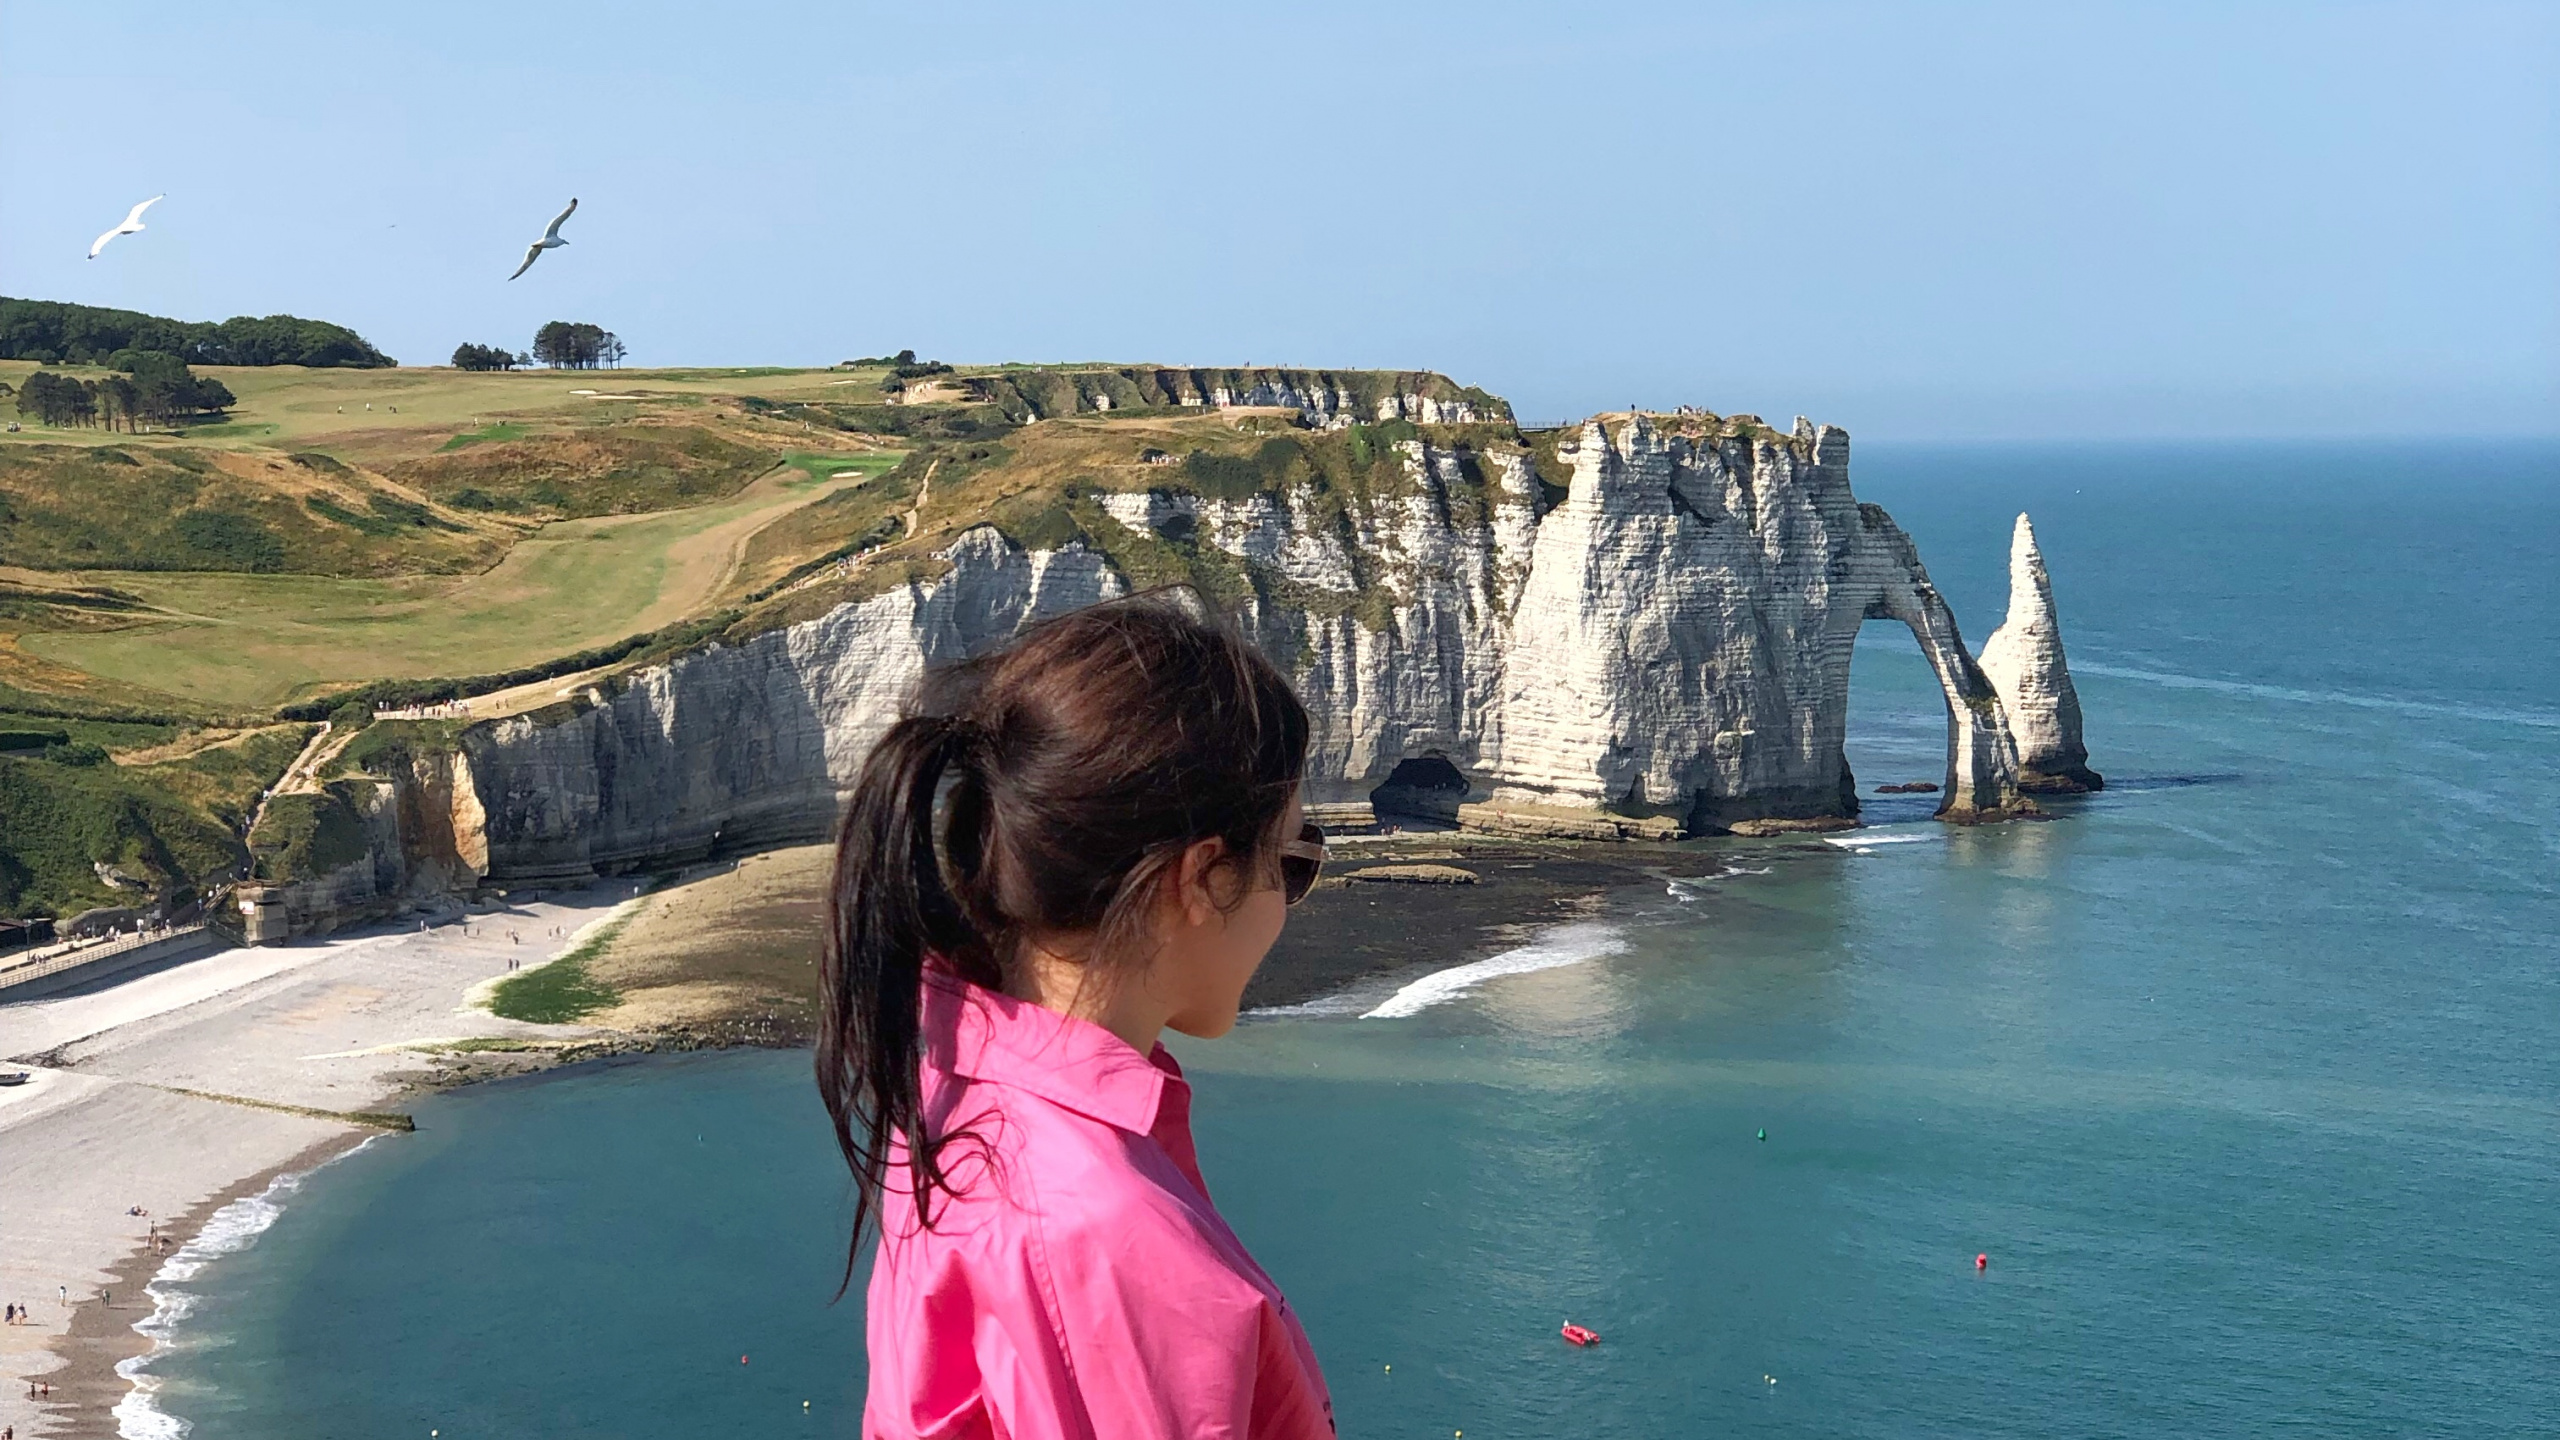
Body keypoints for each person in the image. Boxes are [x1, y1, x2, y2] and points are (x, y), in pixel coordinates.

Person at [819, 593, 1335, 1439]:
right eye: (1293, 862)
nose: (1289, 904)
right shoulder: (1106, 1228)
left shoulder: (951, 1085)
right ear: (1203, 878)